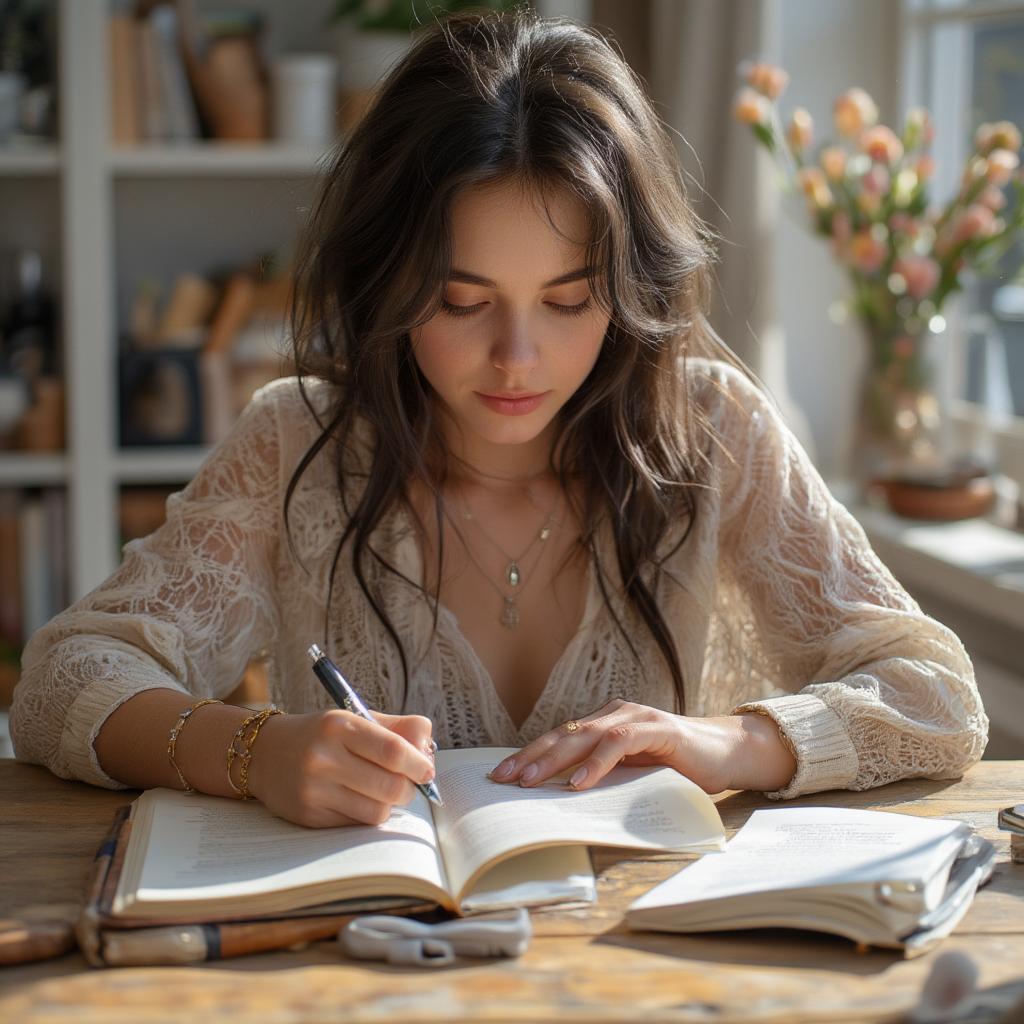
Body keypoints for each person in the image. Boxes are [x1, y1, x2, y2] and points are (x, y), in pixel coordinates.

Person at [10, 8, 987, 829]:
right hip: (361, 964)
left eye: (569, 300)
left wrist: (728, 743)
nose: (518, 359)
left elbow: (934, 694)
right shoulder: (296, 443)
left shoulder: (709, 428)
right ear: (388, 284)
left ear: (627, 287)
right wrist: (251, 749)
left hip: (644, 963)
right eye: (461, 301)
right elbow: (60, 676)